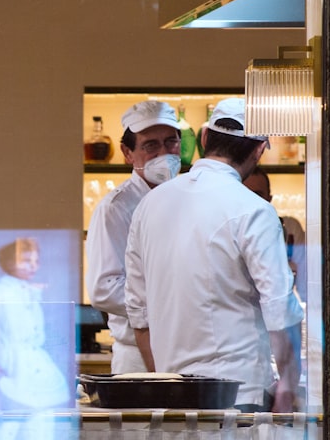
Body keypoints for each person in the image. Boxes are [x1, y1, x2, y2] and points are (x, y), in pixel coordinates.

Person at [124, 98, 304, 412]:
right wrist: (287, 388)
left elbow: (138, 313)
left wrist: (163, 379)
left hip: (173, 396)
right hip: (238, 395)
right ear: (259, 150)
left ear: (205, 138)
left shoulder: (149, 205)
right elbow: (279, 309)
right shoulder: (255, 211)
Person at [85, 100, 182, 374]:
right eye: (151, 145)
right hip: (136, 358)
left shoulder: (190, 198)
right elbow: (104, 289)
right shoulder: (116, 208)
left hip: (188, 350)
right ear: (128, 153)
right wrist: (171, 302)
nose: (164, 153)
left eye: (171, 142)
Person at [0, 237, 71, 409]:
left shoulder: (31, 293)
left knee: (41, 431)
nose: (33, 266)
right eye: (25, 260)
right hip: (10, 371)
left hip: (39, 372)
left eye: (36, 261)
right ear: (8, 263)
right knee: (7, 430)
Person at [243, 165, 307, 303]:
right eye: (246, 194)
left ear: (269, 199)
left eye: (258, 195)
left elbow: (305, 289)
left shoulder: (290, 229)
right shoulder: (226, 233)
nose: (251, 201)